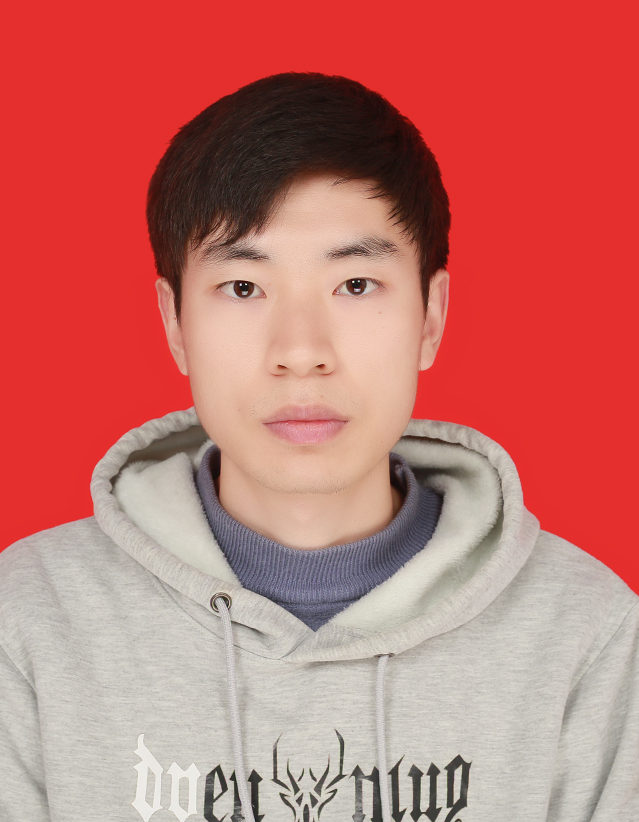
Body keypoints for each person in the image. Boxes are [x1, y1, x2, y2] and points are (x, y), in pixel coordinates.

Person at [0, 72, 637, 822]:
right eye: (244, 287)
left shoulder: (583, 633)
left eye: (356, 284)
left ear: (430, 316)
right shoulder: (28, 621)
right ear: (175, 324)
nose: (300, 352)